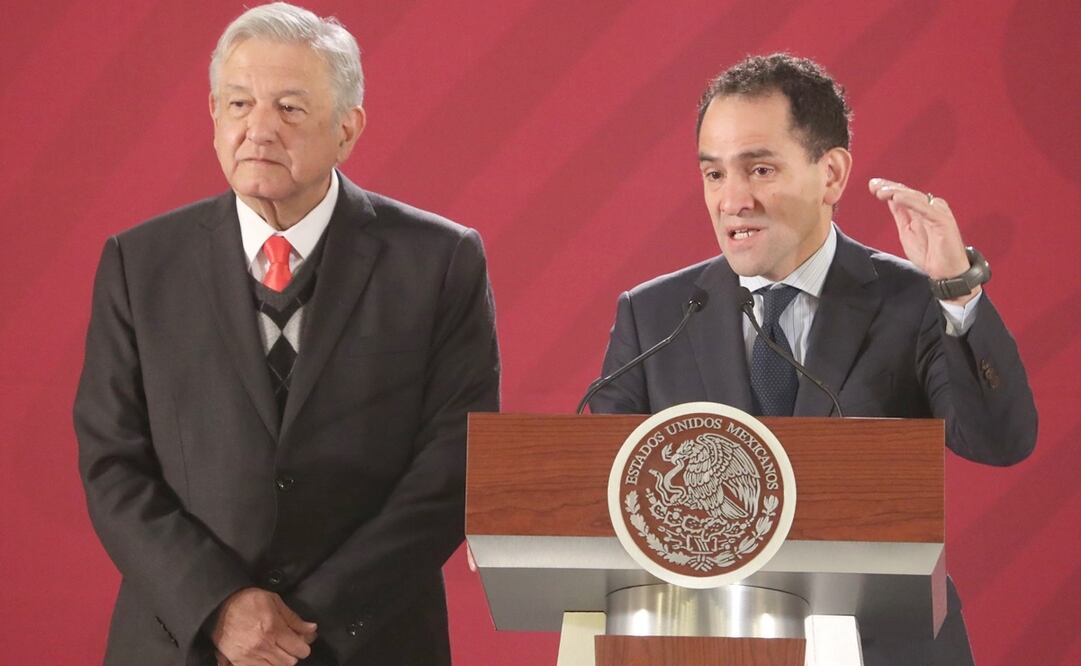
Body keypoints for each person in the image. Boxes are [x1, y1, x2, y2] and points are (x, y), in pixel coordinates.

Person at [73, 3, 499, 665]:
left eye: (290, 109)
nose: (258, 130)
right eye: (238, 104)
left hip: (370, 640)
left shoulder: (437, 262)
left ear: (348, 128)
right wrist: (218, 605)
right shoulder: (139, 263)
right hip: (185, 641)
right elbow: (111, 460)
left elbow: (452, 463)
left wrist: (307, 622)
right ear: (213, 115)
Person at [589, 53, 1036, 665]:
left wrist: (957, 293)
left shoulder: (913, 298)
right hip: (703, 647)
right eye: (714, 175)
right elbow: (591, 497)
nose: (733, 200)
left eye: (760, 168)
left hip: (882, 648)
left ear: (831, 174)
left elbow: (1000, 440)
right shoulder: (657, 315)